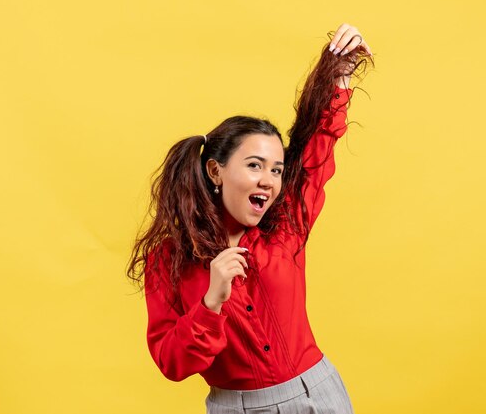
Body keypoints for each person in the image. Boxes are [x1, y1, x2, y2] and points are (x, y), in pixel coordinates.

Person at [127, 23, 374, 414]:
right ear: (215, 171)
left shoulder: (287, 226)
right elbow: (171, 362)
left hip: (320, 394)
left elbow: (317, 149)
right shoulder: (168, 260)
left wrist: (338, 73)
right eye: (255, 165)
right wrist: (210, 303)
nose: (269, 180)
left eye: (276, 170)